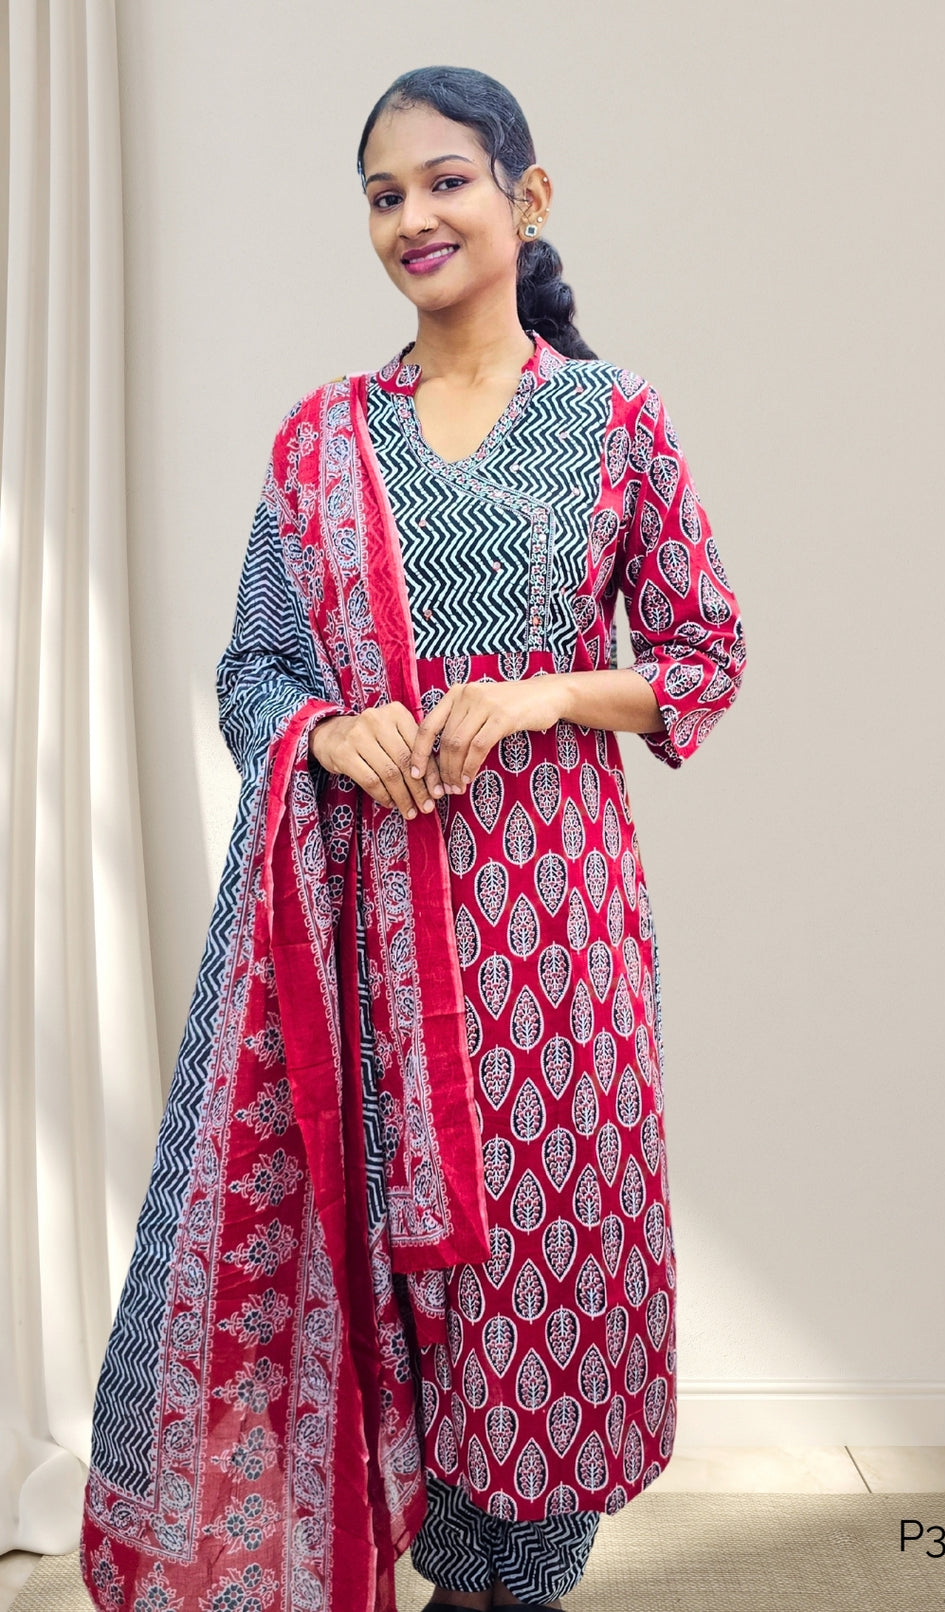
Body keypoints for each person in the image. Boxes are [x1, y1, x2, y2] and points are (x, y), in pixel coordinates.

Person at [80, 64, 745, 1612]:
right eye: (385, 195)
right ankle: (388, 1558)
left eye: (446, 180)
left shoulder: (613, 419)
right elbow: (255, 667)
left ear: (528, 195)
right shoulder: (324, 433)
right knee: (384, 1265)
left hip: (552, 936)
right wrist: (323, 730)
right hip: (366, 936)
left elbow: (705, 656)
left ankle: (505, 1584)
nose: (414, 218)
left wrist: (539, 697)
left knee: (543, 1271)